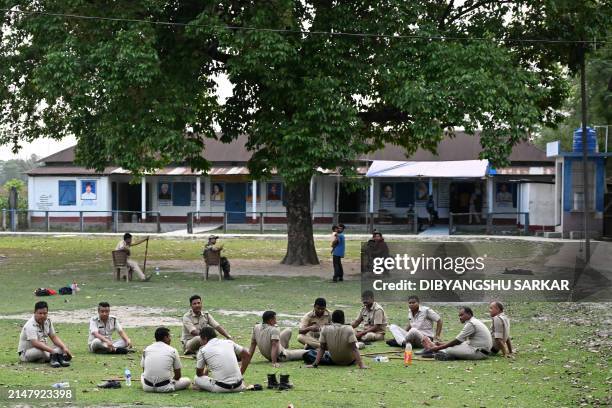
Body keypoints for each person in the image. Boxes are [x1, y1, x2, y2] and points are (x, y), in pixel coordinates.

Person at [422, 306, 492, 361]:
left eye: (462, 315)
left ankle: (434, 350)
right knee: (454, 346)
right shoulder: (474, 321)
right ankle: (435, 348)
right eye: (459, 316)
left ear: (469, 314)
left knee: (447, 350)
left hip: (479, 352)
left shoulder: (471, 323)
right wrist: (442, 344)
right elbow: (461, 341)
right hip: (478, 349)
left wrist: (437, 348)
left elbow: (457, 341)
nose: (460, 318)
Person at [194, 327, 251, 393]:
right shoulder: (229, 342)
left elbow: (199, 374)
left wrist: (207, 369)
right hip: (239, 386)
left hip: (221, 388)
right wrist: (240, 374)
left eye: (200, 339)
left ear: (205, 338)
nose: (200, 342)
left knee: (196, 378)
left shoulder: (203, 350)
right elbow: (247, 355)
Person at [18, 301, 72, 368]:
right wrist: (52, 351)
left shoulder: (48, 321)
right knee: (41, 352)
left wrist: (64, 348)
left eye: (45, 313)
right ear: (34, 313)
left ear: (47, 313)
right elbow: (35, 343)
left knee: (62, 347)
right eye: (40, 313)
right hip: (27, 352)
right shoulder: (30, 325)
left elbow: (53, 337)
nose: (42, 316)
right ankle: (58, 357)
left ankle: (54, 357)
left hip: (44, 348)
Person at [141, 327, 191, 392]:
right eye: (169, 336)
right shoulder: (172, 350)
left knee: (142, 376)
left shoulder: (147, 349)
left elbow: (144, 371)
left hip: (147, 387)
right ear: (165, 337)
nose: (170, 339)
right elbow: (178, 376)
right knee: (187, 381)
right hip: (165, 387)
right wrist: (171, 380)